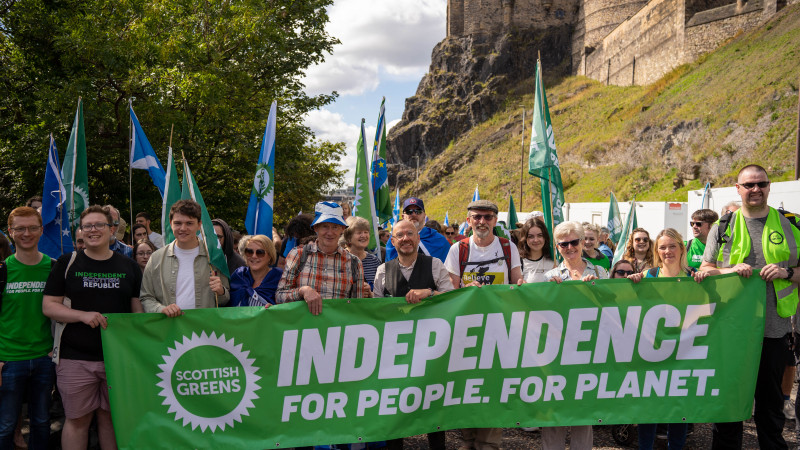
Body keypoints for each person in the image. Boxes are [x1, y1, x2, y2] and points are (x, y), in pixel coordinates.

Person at [700, 164, 800, 450]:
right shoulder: (722, 226)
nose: (755, 189)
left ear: (769, 187)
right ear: (738, 189)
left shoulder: (793, 224)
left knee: (770, 408)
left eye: (761, 184)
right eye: (749, 185)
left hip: (775, 329)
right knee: (729, 406)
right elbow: (705, 270)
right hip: (730, 330)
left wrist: (787, 273)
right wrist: (731, 269)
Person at [42, 205, 143, 450]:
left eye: (99, 225)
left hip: (117, 358)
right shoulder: (68, 263)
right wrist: (81, 316)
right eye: (87, 226)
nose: (93, 230)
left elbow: (137, 312)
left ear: (112, 231)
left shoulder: (129, 266)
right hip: (75, 358)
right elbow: (49, 306)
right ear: (81, 230)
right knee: (77, 421)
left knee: (111, 419)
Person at [444, 199, 521, 450]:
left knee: (492, 387)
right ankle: (468, 441)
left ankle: (488, 444)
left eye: (488, 217)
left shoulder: (508, 248)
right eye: (477, 217)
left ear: (495, 221)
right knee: (466, 386)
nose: (482, 222)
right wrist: (468, 289)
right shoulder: (458, 249)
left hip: (499, 328)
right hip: (466, 328)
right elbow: (450, 288)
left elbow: (517, 284)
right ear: (468, 221)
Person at [372, 219, 453, 450]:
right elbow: (376, 311)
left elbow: (453, 299)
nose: (406, 238)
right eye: (400, 235)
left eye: (410, 233)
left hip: (431, 346)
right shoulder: (382, 271)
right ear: (392, 240)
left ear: (418, 238)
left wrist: (429, 292)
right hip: (394, 349)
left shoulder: (435, 264)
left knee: (432, 402)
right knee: (393, 403)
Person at [626, 228, 707, 450]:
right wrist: (631, 282)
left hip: (684, 352)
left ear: (682, 248)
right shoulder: (649, 276)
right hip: (652, 351)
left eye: (672, 246)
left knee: (679, 407)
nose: (667, 251)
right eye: (662, 247)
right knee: (649, 407)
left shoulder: (694, 277)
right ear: (656, 250)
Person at [542, 221, 608, 450]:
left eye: (574, 242)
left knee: (583, 413)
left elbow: (613, 310)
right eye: (563, 244)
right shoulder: (549, 276)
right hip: (556, 353)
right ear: (557, 247)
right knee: (553, 413)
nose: (569, 247)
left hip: (589, 351)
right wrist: (548, 293)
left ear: (582, 243)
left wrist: (598, 291)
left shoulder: (600, 272)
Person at [0, 207, 54, 449]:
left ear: (41, 230)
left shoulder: (54, 268)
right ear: (10, 232)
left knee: (42, 422)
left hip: (44, 357)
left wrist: (57, 348)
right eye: (20, 228)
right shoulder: (2, 270)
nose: (26, 233)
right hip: (8, 359)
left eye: (32, 227)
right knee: (6, 425)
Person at [140, 200, 230, 316]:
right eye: (178, 223)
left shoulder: (214, 257)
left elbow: (225, 299)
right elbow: (146, 297)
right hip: (169, 329)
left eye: (189, 223)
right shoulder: (156, 258)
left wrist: (221, 291)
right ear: (171, 223)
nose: (183, 228)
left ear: (199, 225)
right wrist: (160, 309)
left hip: (204, 329)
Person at [276, 202, 367, 315]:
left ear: (342, 229)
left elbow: (358, 307)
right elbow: (279, 297)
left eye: (335, 227)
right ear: (316, 228)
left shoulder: (354, 262)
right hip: (303, 329)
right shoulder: (297, 255)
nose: (330, 232)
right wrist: (302, 291)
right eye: (325, 226)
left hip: (338, 330)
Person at [386, 198, 451, 263]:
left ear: (424, 216)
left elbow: (447, 268)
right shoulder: (394, 240)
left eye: (418, 211)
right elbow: (391, 268)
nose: (414, 214)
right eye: (409, 212)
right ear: (403, 217)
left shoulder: (439, 240)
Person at [230, 235, 282, 307]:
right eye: (249, 251)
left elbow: (287, 308)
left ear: (270, 256)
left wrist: (276, 309)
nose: (254, 256)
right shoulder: (239, 275)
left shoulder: (279, 277)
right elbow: (227, 303)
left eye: (260, 252)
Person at [340, 217, 381, 289]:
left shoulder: (374, 261)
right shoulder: (339, 258)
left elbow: (381, 291)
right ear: (348, 237)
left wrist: (370, 294)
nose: (363, 236)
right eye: (359, 233)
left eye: (366, 232)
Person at [518, 217, 556, 283]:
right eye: (531, 236)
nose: (536, 240)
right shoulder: (518, 263)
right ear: (525, 239)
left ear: (545, 237)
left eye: (540, 235)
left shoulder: (554, 260)